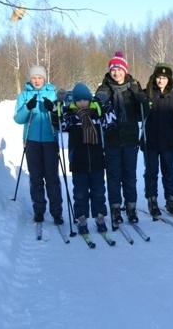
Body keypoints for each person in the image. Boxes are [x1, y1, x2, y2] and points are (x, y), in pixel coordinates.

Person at [95, 51, 147, 228]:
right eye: (113, 70)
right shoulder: (104, 88)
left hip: (131, 139)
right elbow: (97, 109)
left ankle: (131, 207)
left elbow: (143, 114)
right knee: (114, 177)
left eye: (119, 69)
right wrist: (99, 101)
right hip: (111, 141)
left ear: (125, 70)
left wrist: (142, 99)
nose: (116, 73)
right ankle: (116, 208)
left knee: (130, 177)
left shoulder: (133, 86)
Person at [58, 82, 116, 234]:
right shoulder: (71, 117)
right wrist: (58, 104)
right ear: (74, 101)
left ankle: (99, 217)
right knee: (80, 193)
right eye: (79, 100)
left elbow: (111, 123)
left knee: (98, 192)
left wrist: (106, 104)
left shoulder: (97, 114)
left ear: (90, 100)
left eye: (85, 100)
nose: (82, 103)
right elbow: (58, 124)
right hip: (78, 162)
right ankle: (81, 218)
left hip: (97, 161)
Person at [13, 65, 64, 225]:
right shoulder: (23, 95)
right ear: (30, 79)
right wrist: (28, 108)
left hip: (50, 140)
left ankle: (56, 212)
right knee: (36, 177)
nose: (36, 80)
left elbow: (61, 117)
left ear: (44, 78)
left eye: (39, 77)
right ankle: (39, 210)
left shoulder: (53, 93)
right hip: (31, 140)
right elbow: (18, 119)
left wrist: (53, 108)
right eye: (34, 77)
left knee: (52, 177)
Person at [142, 63, 173, 217]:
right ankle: (152, 202)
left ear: (169, 80)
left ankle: (171, 201)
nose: (161, 81)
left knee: (169, 172)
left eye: (164, 78)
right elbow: (140, 113)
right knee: (151, 172)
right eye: (158, 78)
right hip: (150, 141)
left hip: (168, 141)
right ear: (154, 79)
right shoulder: (147, 94)